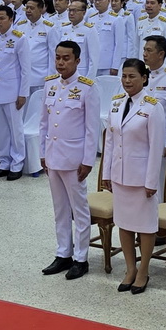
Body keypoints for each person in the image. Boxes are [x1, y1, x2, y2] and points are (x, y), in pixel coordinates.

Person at [103, 58, 166, 294]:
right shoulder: (116, 103)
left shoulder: (152, 107)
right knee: (125, 223)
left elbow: (156, 147)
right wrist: (107, 173)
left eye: (132, 76)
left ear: (144, 78)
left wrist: (151, 181)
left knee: (146, 226)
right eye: (124, 76)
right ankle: (130, 268)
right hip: (120, 175)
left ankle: (143, 271)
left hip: (141, 178)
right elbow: (110, 141)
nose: (127, 81)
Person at [37, 41, 100, 278]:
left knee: (79, 209)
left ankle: (81, 258)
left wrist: (87, 160)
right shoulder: (50, 85)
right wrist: (42, 153)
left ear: (77, 61)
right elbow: (44, 122)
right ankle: (63, 253)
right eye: (58, 58)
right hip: (53, 156)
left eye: (66, 58)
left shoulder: (87, 87)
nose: (61, 62)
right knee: (59, 209)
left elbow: (92, 128)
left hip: (74, 159)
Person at [0, 7, 28, 179]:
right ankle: (4, 162)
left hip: (13, 91)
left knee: (15, 130)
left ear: (11, 19)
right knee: (0, 129)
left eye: (2, 18)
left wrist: (22, 93)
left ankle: (17, 164)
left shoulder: (19, 39)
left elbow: (25, 69)